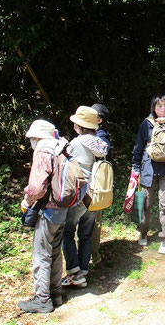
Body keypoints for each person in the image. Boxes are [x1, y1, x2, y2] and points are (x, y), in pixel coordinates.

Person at [18, 119, 67, 313]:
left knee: (41, 253)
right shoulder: (61, 145)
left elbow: (37, 187)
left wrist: (27, 201)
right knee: (55, 251)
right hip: (63, 206)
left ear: (37, 137)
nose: (31, 142)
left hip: (48, 208)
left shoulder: (44, 149)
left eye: (32, 138)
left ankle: (42, 299)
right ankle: (56, 293)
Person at [61, 106, 108, 288]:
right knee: (86, 234)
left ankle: (74, 272)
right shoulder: (100, 144)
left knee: (67, 231)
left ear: (79, 126)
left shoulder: (76, 144)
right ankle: (84, 270)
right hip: (95, 195)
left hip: (80, 195)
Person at [131, 95, 165, 254]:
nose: (163, 109)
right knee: (146, 202)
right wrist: (135, 166)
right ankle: (143, 231)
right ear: (154, 107)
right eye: (159, 106)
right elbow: (139, 146)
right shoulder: (146, 124)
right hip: (149, 168)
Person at [90, 103, 111, 266]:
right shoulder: (93, 135)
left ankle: (93, 254)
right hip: (89, 184)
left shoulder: (101, 137)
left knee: (94, 220)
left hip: (95, 185)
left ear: (99, 119)